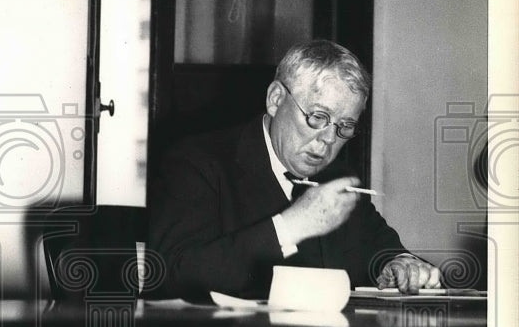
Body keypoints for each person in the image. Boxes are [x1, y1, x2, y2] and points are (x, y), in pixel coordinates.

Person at [148, 40, 440, 301]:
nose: (328, 139)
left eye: (344, 127)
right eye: (318, 117)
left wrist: (399, 264)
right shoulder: (198, 162)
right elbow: (172, 275)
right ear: (276, 99)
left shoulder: (336, 178)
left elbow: (382, 249)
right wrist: (292, 226)